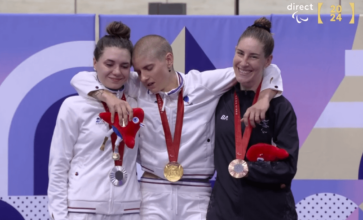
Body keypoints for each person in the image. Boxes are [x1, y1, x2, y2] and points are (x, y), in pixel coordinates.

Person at [70, 33, 284, 219]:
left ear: (169, 59)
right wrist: (108, 97)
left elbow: (268, 69)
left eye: (149, 68)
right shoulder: (138, 86)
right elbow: (81, 78)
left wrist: (265, 99)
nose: (143, 77)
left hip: (196, 193)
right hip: (152, 192)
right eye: (139, 70)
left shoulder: (203, 84)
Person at [206, 17, 299, 220]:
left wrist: (249, 168)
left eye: (253, 57)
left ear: (267, 61)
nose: (244, 62)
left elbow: (287, 167)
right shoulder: (220, 98)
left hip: (269, 213)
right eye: (240, 53)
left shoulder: (279, 108)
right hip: (224, 213)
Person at [48, 21, 141, 220]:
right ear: (94, 63)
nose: (117, 71)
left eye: (124, 66)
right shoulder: (74, 106)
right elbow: (59, 164)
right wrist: (58, 215)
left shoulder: (137, 105)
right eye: (109, 64)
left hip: (129, 210)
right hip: (82, 210)